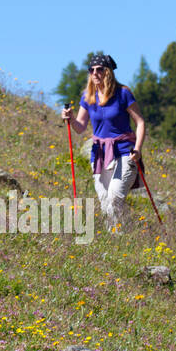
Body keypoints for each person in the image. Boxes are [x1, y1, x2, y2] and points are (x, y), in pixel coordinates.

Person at [60, 53, 148, 229]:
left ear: (108, 72)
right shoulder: (88, 96)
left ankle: (122, 235)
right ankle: (122, 235)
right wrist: (69, 118)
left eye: (99, 69)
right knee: (104, 199)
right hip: (99, 154)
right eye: (91, 70)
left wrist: (137, 149)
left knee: (115, 196)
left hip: (125, 152)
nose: (94, 73)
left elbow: (140, 122)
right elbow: (80, 127)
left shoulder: (123, 93)